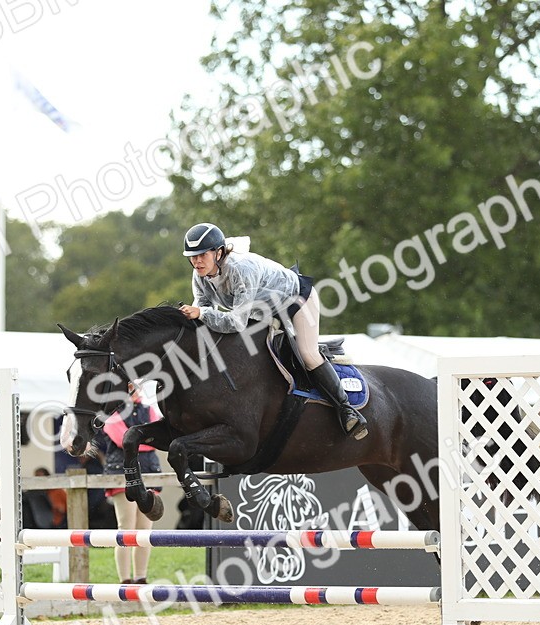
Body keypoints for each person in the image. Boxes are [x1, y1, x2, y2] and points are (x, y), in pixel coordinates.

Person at [178, 222, 368, 440]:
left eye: (202, 255)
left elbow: (234, 322)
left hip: (296, 301)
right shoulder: (199, 276)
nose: (197, 261)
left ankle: (346, 410)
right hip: (262, 311)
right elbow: (203, 310)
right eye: (192, 256)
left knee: (307, 354)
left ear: (218, 252)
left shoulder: (241, 269)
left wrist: (200, 314)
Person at [99, 383, 161, 584]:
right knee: (126, 527)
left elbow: (154, 439)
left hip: (149, 473)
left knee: (145, 530)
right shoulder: (112, 413)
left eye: (135, 386)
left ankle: (141, 577)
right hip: (123, 475)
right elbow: (122, 440)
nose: (134, 389)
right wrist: (144, 442)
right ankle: (125, 579)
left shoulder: (149, 409)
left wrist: (139, 443)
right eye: (129, 386)